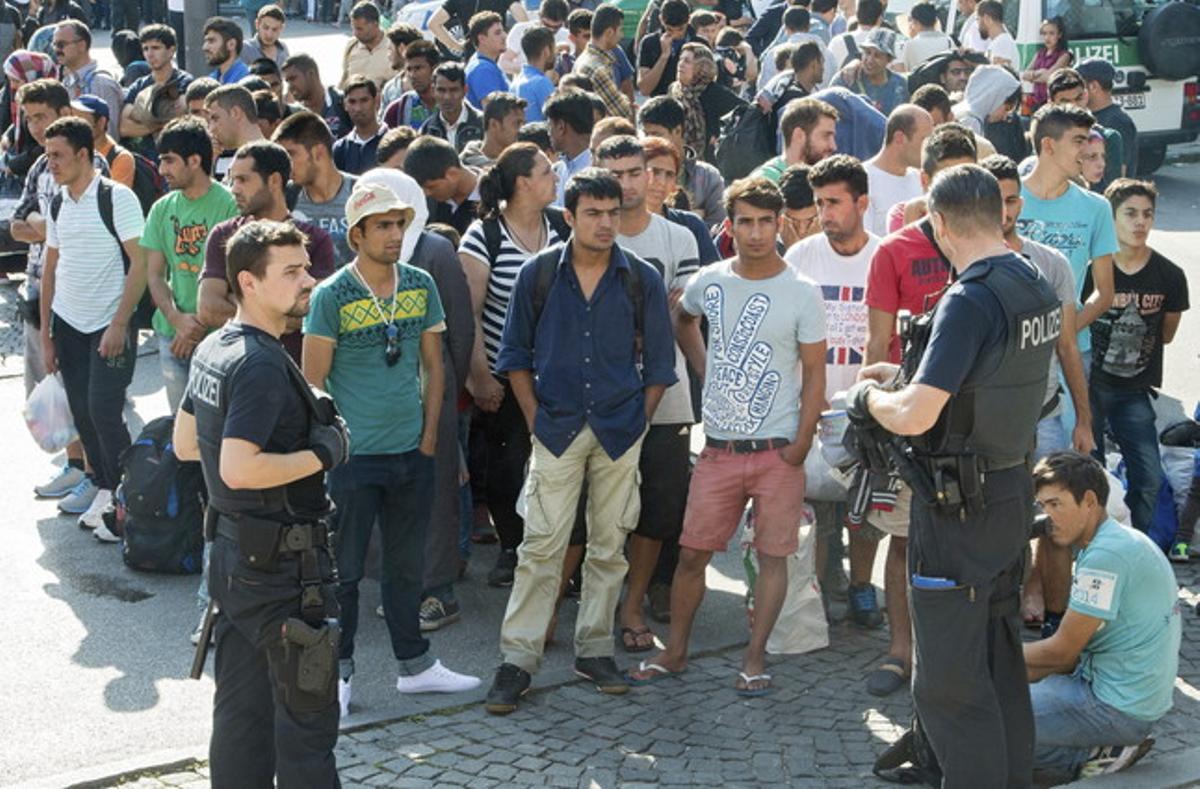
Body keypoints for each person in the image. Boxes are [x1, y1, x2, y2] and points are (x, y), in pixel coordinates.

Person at [851, 164, 1062, 786]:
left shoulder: (969, 298)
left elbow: (916, 416)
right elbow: (988, 383)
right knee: (998, 667)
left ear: (939, 224)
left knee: (949, 684)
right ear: (1000, 213)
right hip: (1007, 491)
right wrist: (907, 383)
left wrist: (870, 401)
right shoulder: (1032, 279)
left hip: (958, 511)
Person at [484, 168, 677, 714]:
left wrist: (639, 419)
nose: (605, 223)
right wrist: (535, 416)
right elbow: (514, 356)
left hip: (620, 429)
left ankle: (594, 650)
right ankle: (517, 660)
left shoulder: (641, 278)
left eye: (613, 212)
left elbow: (661, 365)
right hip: (557, 427)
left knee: (609, 546)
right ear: (568, 217)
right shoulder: (537, 274)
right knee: (540, 547)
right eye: (593, 213)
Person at [630, 175, 826, 696]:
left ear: (779, 224)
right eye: (745, 221)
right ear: (730, 224)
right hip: (717, 448)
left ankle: (755, 657)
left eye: (765, 221)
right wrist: (704, 367)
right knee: (692, 554)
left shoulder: (802, 292)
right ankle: (675, 653)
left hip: (777, 452)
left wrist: (801, 444)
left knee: (771, 559)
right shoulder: (711, 280)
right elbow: (683, 318)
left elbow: (815, 376)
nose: (756, 232)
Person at [171, 219, 343, 788]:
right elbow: (237, 467)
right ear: (247, 281)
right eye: (291, 272)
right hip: (283, 578)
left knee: (241, 724)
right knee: (306, 735)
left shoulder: (216, 347)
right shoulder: (262, 364)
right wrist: (322, 454)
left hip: (236, 570)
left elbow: (185, 442)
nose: (308, 280)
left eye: (306, 267)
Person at [302, 182, 480, 718]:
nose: (395, 234)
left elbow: (434, 365)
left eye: (400, 224)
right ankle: (340, 673)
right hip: (354, 460)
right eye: (382, 225)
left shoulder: (421, 284)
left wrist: (429, 438)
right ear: (356, 234)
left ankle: (417, 666)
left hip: (412, 452)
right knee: (347, 572)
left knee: (407, 567)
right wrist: (334, 452)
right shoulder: (331, 294)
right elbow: (314, 384)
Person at [981, 153, 1094, 636]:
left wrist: (1083, 421)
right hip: (988, 424)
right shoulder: (966, 266)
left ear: (1020, 203)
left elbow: (1068, 347)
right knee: (993, 523)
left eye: (1010, 199)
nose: (1003, 210)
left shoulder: (1051, 265)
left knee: (1054, 522)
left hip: (1045, 416)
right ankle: (1003, 608)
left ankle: (1053, 618)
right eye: (993, 201)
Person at [595, 135, 699, 653]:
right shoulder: (587, 235)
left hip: (667, 394)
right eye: (615, 175)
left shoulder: (677, 238)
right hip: (600, 396)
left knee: (657, 508)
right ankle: (596, 606)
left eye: (636, 172)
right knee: (598, 509)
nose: (629, 184)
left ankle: (633, 603)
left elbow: (681, 318)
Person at [1026, 452, 1180, 781]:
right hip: (1127, 696)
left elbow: (1060, 653)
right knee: (999, 689)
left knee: (984, 719)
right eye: (1043, 506)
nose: (1048, 516)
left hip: (1115, 708)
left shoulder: (1105, 556)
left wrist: (985, 657)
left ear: (1090, 501)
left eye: (1056, 504)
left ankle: (1096, 754)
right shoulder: (1118, 538)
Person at [458, 141, 567, 586]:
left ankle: (559, 552)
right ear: (524, 182)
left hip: (560, 373)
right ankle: (511, 546)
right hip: (503, 377)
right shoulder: (484, 236)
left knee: (559, 464)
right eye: (546, 171)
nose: (554, 177)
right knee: (507, 466)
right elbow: (471, 313)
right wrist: (480, 376)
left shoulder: (562, 226)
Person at [39, 116, 145, 535]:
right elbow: (50, 271)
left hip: (109, 324)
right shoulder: (58, 202)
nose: (51, 164)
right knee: (82, 413)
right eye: (48, 156)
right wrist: (47, 334)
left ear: (84, 155)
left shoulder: (116, 198)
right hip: (68, 324)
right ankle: (104, 487)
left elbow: (141, 262)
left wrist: (121, 323)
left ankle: (128, 497)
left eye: (58, 155)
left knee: (104, 410)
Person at [11, 78, 109, 510]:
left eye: (42, 117)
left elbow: (82, 231)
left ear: (63, 113)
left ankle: (96, 473)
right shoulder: (38, 166)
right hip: (37, 283)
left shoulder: (94, 166)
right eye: (28, 118)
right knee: (50, 380)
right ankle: (73, 464)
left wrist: (46, 229)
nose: (34, 127)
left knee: (85, 389)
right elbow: (16, 224)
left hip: (79, 291)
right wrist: (48, 229)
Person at [1083, 179, 1188, 535]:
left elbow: (1167, 334)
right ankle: (1093, 548)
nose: (1140, 222)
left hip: (1134, 389)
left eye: (1147, 214)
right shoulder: (1091, 269)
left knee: (1149, 477)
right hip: (1091, 385)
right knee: (1089, 476)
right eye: (1130, 213)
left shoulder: (1170, 275)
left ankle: (1138, 546)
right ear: (1111, 218)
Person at [199, 140, 336, 364]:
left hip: (294, 370)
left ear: (274, 180)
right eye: (233, 180)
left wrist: (239, 300)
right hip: (238, 366)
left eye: (243, 180)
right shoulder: (223, 235)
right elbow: (208, 310)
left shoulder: (315, 240)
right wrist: (278, 308)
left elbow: (308, 314)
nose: (234, 188)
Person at [142, 117, 237, 414]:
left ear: (194, 160)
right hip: (171, 336)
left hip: (221, 337)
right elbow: (154, 275)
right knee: (181, 431)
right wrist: (176, 320)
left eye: (169, 161)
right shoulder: (162, 208)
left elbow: (237, 280)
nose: (161, 170)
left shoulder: (230, 205)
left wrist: (195, 325)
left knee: (218, 430)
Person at [1018, 103, 1117, 383]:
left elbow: (1105, 292)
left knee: (1072, 427)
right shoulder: (1006, 198)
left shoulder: (1097, 207)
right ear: (1048, 145)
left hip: (1071, 350)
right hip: (1012, 348)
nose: (1086, 150)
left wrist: (1067, 330)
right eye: (1078, 141)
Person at [272, 110, 359, 268]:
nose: (285, 164)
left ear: (318, 152)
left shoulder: (360, 192)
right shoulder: (287, 198)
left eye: (291, 154)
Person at [636, 94, 725, 225]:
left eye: (656, 134)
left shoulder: (708, 178)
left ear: (678, 131)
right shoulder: (636, 174)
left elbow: (718, 228)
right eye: (645, 134)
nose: (649, 140)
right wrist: (695, 215)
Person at [642, 134, 720, 265]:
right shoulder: (616, 224)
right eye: (654, 172)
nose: (661, 182)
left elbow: (713, 278)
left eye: (669, 174)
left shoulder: (692, 225)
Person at [668, 42, 744, 162]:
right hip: (679, 159)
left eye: (687, 61)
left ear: (702, 67)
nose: (680, 64)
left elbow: (745, 111)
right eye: (680, 59)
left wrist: (721, 137)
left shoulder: (714, 92)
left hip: (710, 162)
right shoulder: (674, 90)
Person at [863, 105, 931, 236]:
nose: (929, 148)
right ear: (900, 138)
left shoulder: (921, 178)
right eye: (924, 140)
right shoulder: (863, 179)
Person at [120, 24, 193, 144]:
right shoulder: (139, 85)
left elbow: (178, 116)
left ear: (171, 51)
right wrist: (157, 126)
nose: (150, 54)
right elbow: (124, 127)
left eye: (156, 48)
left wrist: (143, 120)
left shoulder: (185, 82)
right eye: (145, 49)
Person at [52, 20, 123, 140]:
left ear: (82, 45)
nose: (56, 50)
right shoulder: (67, 81)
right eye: (54, 45)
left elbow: (110, 136)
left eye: (61, 45)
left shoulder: (101, 83)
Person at [404, 134, 481, 236]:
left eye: (430, 187)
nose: (426, 194)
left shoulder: (498, 198)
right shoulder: (426, 205)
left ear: (452, 174)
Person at [752, 96, 839, 183]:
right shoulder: (765, 183)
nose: (833, 146)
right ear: (799, 135)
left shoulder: (823, 183)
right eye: (825, 136)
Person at [1078, 58, 1138, 179]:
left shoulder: (1118, 122)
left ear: (1093, 86)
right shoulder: (1088, 117)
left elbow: (1120, 175)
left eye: (1080, 85)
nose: (1076, 91)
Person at [573, 3, 633, 120]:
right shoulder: (598, 69)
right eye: (620, 30)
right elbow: (623, 113)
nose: (622, 35)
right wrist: (627, 102)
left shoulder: (583, 58)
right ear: (609, 32)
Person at [636, 0, 699, 98]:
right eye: (669, 29)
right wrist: (664, 56)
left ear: (689, 19)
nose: (676, 34)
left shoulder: (700, 43)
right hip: (662, 105)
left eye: (680, 29)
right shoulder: (649, 43)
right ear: (661, 19)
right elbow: (644, 89)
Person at [69, 93, 134, 188]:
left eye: (81, 120)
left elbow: (116, 198)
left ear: (101, 122)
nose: (74, 126)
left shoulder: (121, 158)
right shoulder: (71, 152)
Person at [282, 54, 351, 140]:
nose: (290, 87)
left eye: (293, 79)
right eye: (287, 82)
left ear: (311, 74)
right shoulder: (292, 114)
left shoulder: (344, 102)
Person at [428, 0, 528, 59]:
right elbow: (524, 21)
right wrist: (511, 44)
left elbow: (433, 24)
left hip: (473, 55)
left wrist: (456, 46)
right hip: (499, 55)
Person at [420, 62, 484, 154]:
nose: (447, 97)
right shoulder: (428, 130)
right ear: (433, 91)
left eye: (454, 90)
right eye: (441, 90)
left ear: (465, 90)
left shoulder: (483, 124)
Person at [544, 88, 593, 207]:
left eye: (549, 125)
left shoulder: (597, 168)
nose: (548, 132)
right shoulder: (558, 170)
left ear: (561, 127)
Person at [206, 84, 265, 180]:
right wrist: (210, 164)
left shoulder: (269, 160)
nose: (211, 128)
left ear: (235, 113)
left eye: (215, 118)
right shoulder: (237, 161)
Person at [332, 75, 386, 175]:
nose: (358, 108)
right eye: (352, 102)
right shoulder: (340, 149)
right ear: (345, 105)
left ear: (376, 101)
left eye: (364, 100)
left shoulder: (393, 142)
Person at [383, 39, 439, 130]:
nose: (413, 75)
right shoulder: (398, 109)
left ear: (434, 69)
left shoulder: (453, 104)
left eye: (418, 68)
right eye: (409, 69)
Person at [502, 0, 568, 75]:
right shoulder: (520, 30)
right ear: (539, 16)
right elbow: (503, 62)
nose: (551, 30)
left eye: (556, 27)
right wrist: (530, 70)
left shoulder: (567, 36)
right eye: (547, 25)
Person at [461, 91, 525, 168]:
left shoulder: (523, 166)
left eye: (523, 123)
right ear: (494, 124)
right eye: (517, 123)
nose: (522, 129)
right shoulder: (463, 167)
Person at [1021, 17, 1071, 111]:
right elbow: (1024, 74)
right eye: (1044, 33)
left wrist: (1034, 76)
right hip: (1037, 102)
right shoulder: (1040, 53)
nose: (1047, 37)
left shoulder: (1064, 55)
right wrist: (1038, 73)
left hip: (1054, 104)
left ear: (1059, 35)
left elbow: (1049, 77)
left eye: (1051, 33)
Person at [341, 1, 392, 90]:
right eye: (353, 28)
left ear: (375, 24)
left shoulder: (392, 47)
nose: (355, 33)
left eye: (359, 29)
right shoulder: (352, 46)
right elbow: (344, 79)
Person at [464, 11, 509, 108]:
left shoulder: (485, 64)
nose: (504, 36)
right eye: (497, 33)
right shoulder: (483, 69)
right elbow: (494, 113)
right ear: (482, 39)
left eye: (503, 31)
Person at [512, 25, 555, 122]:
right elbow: (557, 121)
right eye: (553, 48)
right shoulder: (541, 83)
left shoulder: (515, 83)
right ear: (546, 51)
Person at [378, 23, 422, 111]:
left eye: (390, 49)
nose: (388, 55)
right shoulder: (390, 88)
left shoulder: (434, 85)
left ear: (402, 49)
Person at [902, 2, 953, 73]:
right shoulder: (949, 41)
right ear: (935, 21)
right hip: (942, 83)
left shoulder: (910, 44)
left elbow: (905, 70)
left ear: (916, 22)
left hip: (918, 83)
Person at [203, 17, 250, 85]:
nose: (205, 47)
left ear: (231, 44)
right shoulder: (212, 79)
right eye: (206, 41)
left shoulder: (246, 79)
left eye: (211, 41)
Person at [240, 3, 289, 68]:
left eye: (274, 29)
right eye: (265, 28)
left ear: (281, 28)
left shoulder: (283, 49)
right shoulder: (245, 49)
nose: (269, 34)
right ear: (257, 25)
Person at [977, 0, 1017, 68]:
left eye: (978, 19)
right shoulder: (1000, 42)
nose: (977, 25)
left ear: (987, 19)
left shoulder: (1002, 43)